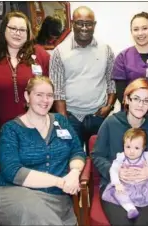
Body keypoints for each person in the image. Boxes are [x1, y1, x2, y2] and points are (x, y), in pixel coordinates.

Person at [0, 76, 86, 225]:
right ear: (27, 96)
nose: (45, 100)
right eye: (39, 94)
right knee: (38, 216)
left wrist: (74, 173)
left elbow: (77, 151)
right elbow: (12, 171)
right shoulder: (11, 129)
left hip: (56, 199)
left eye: (49, 95)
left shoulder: (61, 121)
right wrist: (59, 182)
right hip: (13, 192)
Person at [91, 78, 148, 226]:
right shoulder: (111, 123)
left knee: (141, 222)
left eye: (146, 101)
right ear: (127, 99)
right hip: (115, 186)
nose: (140, 105)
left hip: (145, 187)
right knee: (123, 222)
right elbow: (97, 155)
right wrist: (115, 172)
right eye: (136, 99)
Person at [50, 6, 116, 153]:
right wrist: (63, 120)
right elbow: (57, 89)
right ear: (72, 23)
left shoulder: (106, 49)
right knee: (73, 159)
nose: (84, 28)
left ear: (94, 25)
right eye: (80, 23)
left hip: (98, 115)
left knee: (99, 158)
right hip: (71, 117)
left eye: (89, 24)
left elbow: (112, 82)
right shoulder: (59, 52)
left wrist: (109, 106)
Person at [0, 11, 50, 126]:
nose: (17, 33)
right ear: (4, 29)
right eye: (13, 28)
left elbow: (50, 91)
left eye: (22, 30)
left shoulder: (41, 55)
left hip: (35, 127)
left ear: (28, 33)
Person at [102, 128, 148, 225]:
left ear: (143, 148)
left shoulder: (147, 156)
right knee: (118, 193)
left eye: (136, 148)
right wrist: (117, 183)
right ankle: (131, 209)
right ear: (123, 146)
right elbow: (113, 169)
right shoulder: (121, 157)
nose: (131, 151)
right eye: (128, 147)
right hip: (126, 185)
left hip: (144, 185)